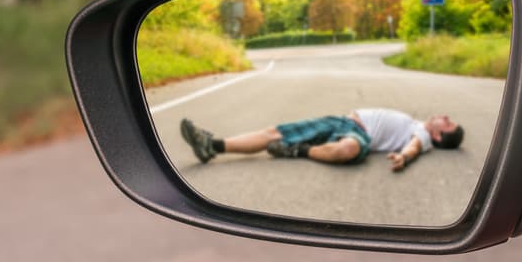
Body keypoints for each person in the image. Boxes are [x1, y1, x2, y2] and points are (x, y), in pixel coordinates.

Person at [179, 109, 464, 172]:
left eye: (448, 123)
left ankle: (298, 151)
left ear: (439, 136)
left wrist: (405, 157)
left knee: (349, 149)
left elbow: (414, 146)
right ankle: (212, 146)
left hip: (358, 134)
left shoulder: (423, 136)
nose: (446, 116)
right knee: (274, 133)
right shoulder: (417, 124)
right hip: (342, 120)